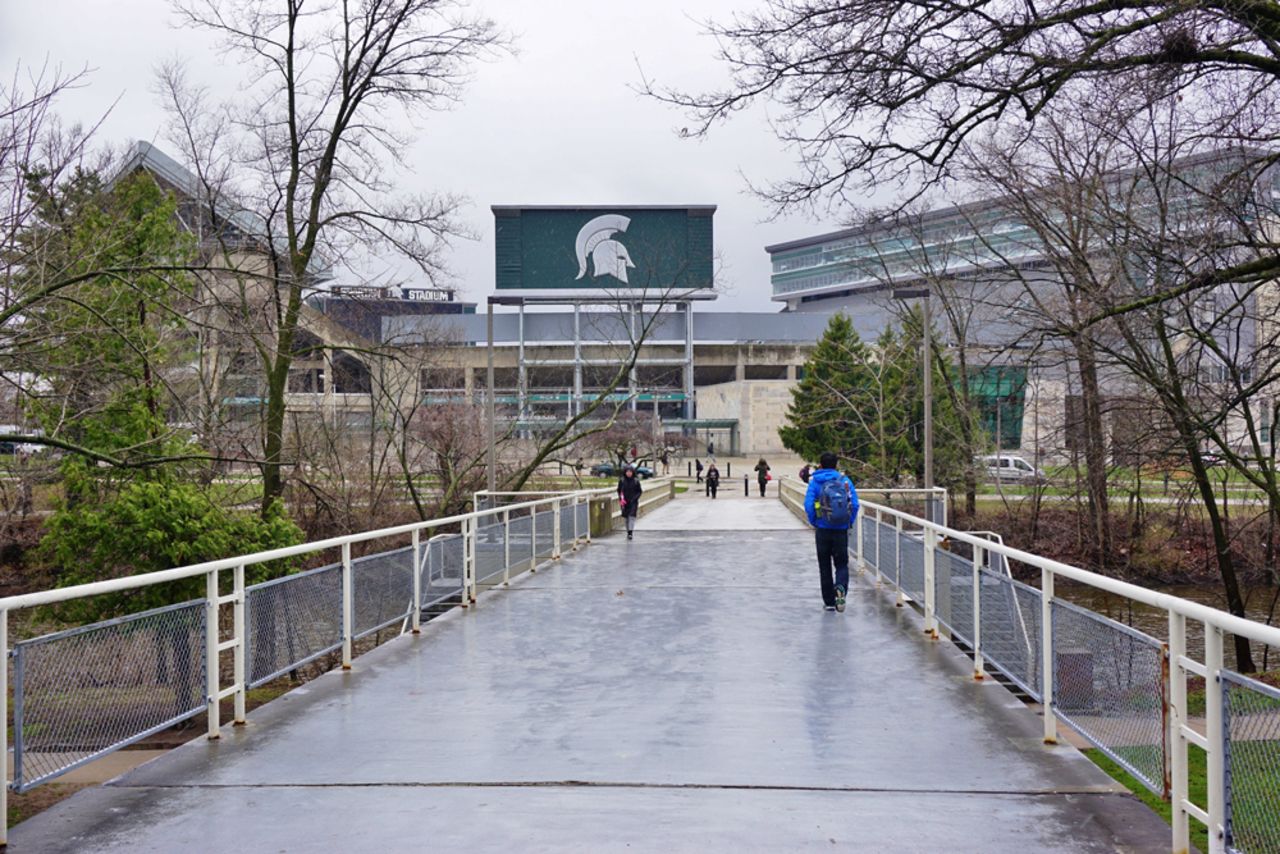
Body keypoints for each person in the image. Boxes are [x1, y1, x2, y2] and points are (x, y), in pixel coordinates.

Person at [804, 452, 860, 613]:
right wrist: (848, 522)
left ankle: (829, 602)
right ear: (836, 465)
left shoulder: (815, 482)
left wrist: (815, 521)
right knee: (841, 563)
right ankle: (841, 590)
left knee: (824, 565)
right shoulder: (845, 481)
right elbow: (855, 504)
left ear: (820, 465)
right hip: (841, 530)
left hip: (822, 529)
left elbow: (808, 505)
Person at [618, 464, 643, 540]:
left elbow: (639, 491)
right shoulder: (622, 481)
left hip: (633, 502)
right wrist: (621, 498)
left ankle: (630, 532)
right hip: (624, 502)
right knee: (626, 518)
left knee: (631, 517)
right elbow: (619, 490)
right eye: (627, 472)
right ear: (625, 472)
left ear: (632, 472)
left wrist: (635, 498)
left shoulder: (636, 481)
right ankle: (628, 531)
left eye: (630, 472)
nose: (629, 473)